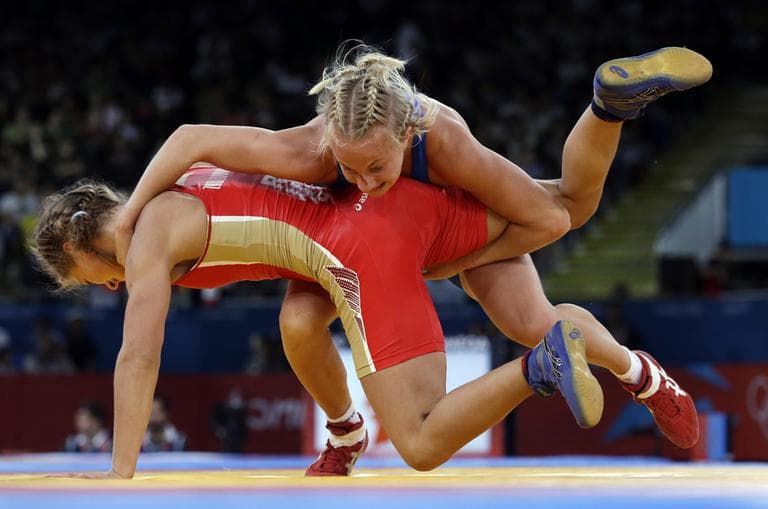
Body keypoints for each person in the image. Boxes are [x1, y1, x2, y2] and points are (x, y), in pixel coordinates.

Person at [110, 44, 710, 473]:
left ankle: (608, 106)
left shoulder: (440, 135)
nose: (363, 179)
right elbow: (190, 138)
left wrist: (454, 262)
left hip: (453, 216)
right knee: (296, 324)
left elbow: (547, 224)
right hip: (364, 240)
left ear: (404, 137)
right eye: (348, 167)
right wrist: (133, 212)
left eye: (376, 166)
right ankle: (346, 435)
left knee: (565, 218)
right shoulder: (317, 147)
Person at [32, 166, 602, 478]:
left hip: (351, 247)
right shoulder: (181, 180)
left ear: (78, 245)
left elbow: (139, 354)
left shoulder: (147, 241)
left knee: (422, 444)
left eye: (90, 278)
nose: (111, 286)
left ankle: (540, 362)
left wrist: (120, 473)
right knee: (299, 327)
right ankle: (347, 433)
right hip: (342, 223)